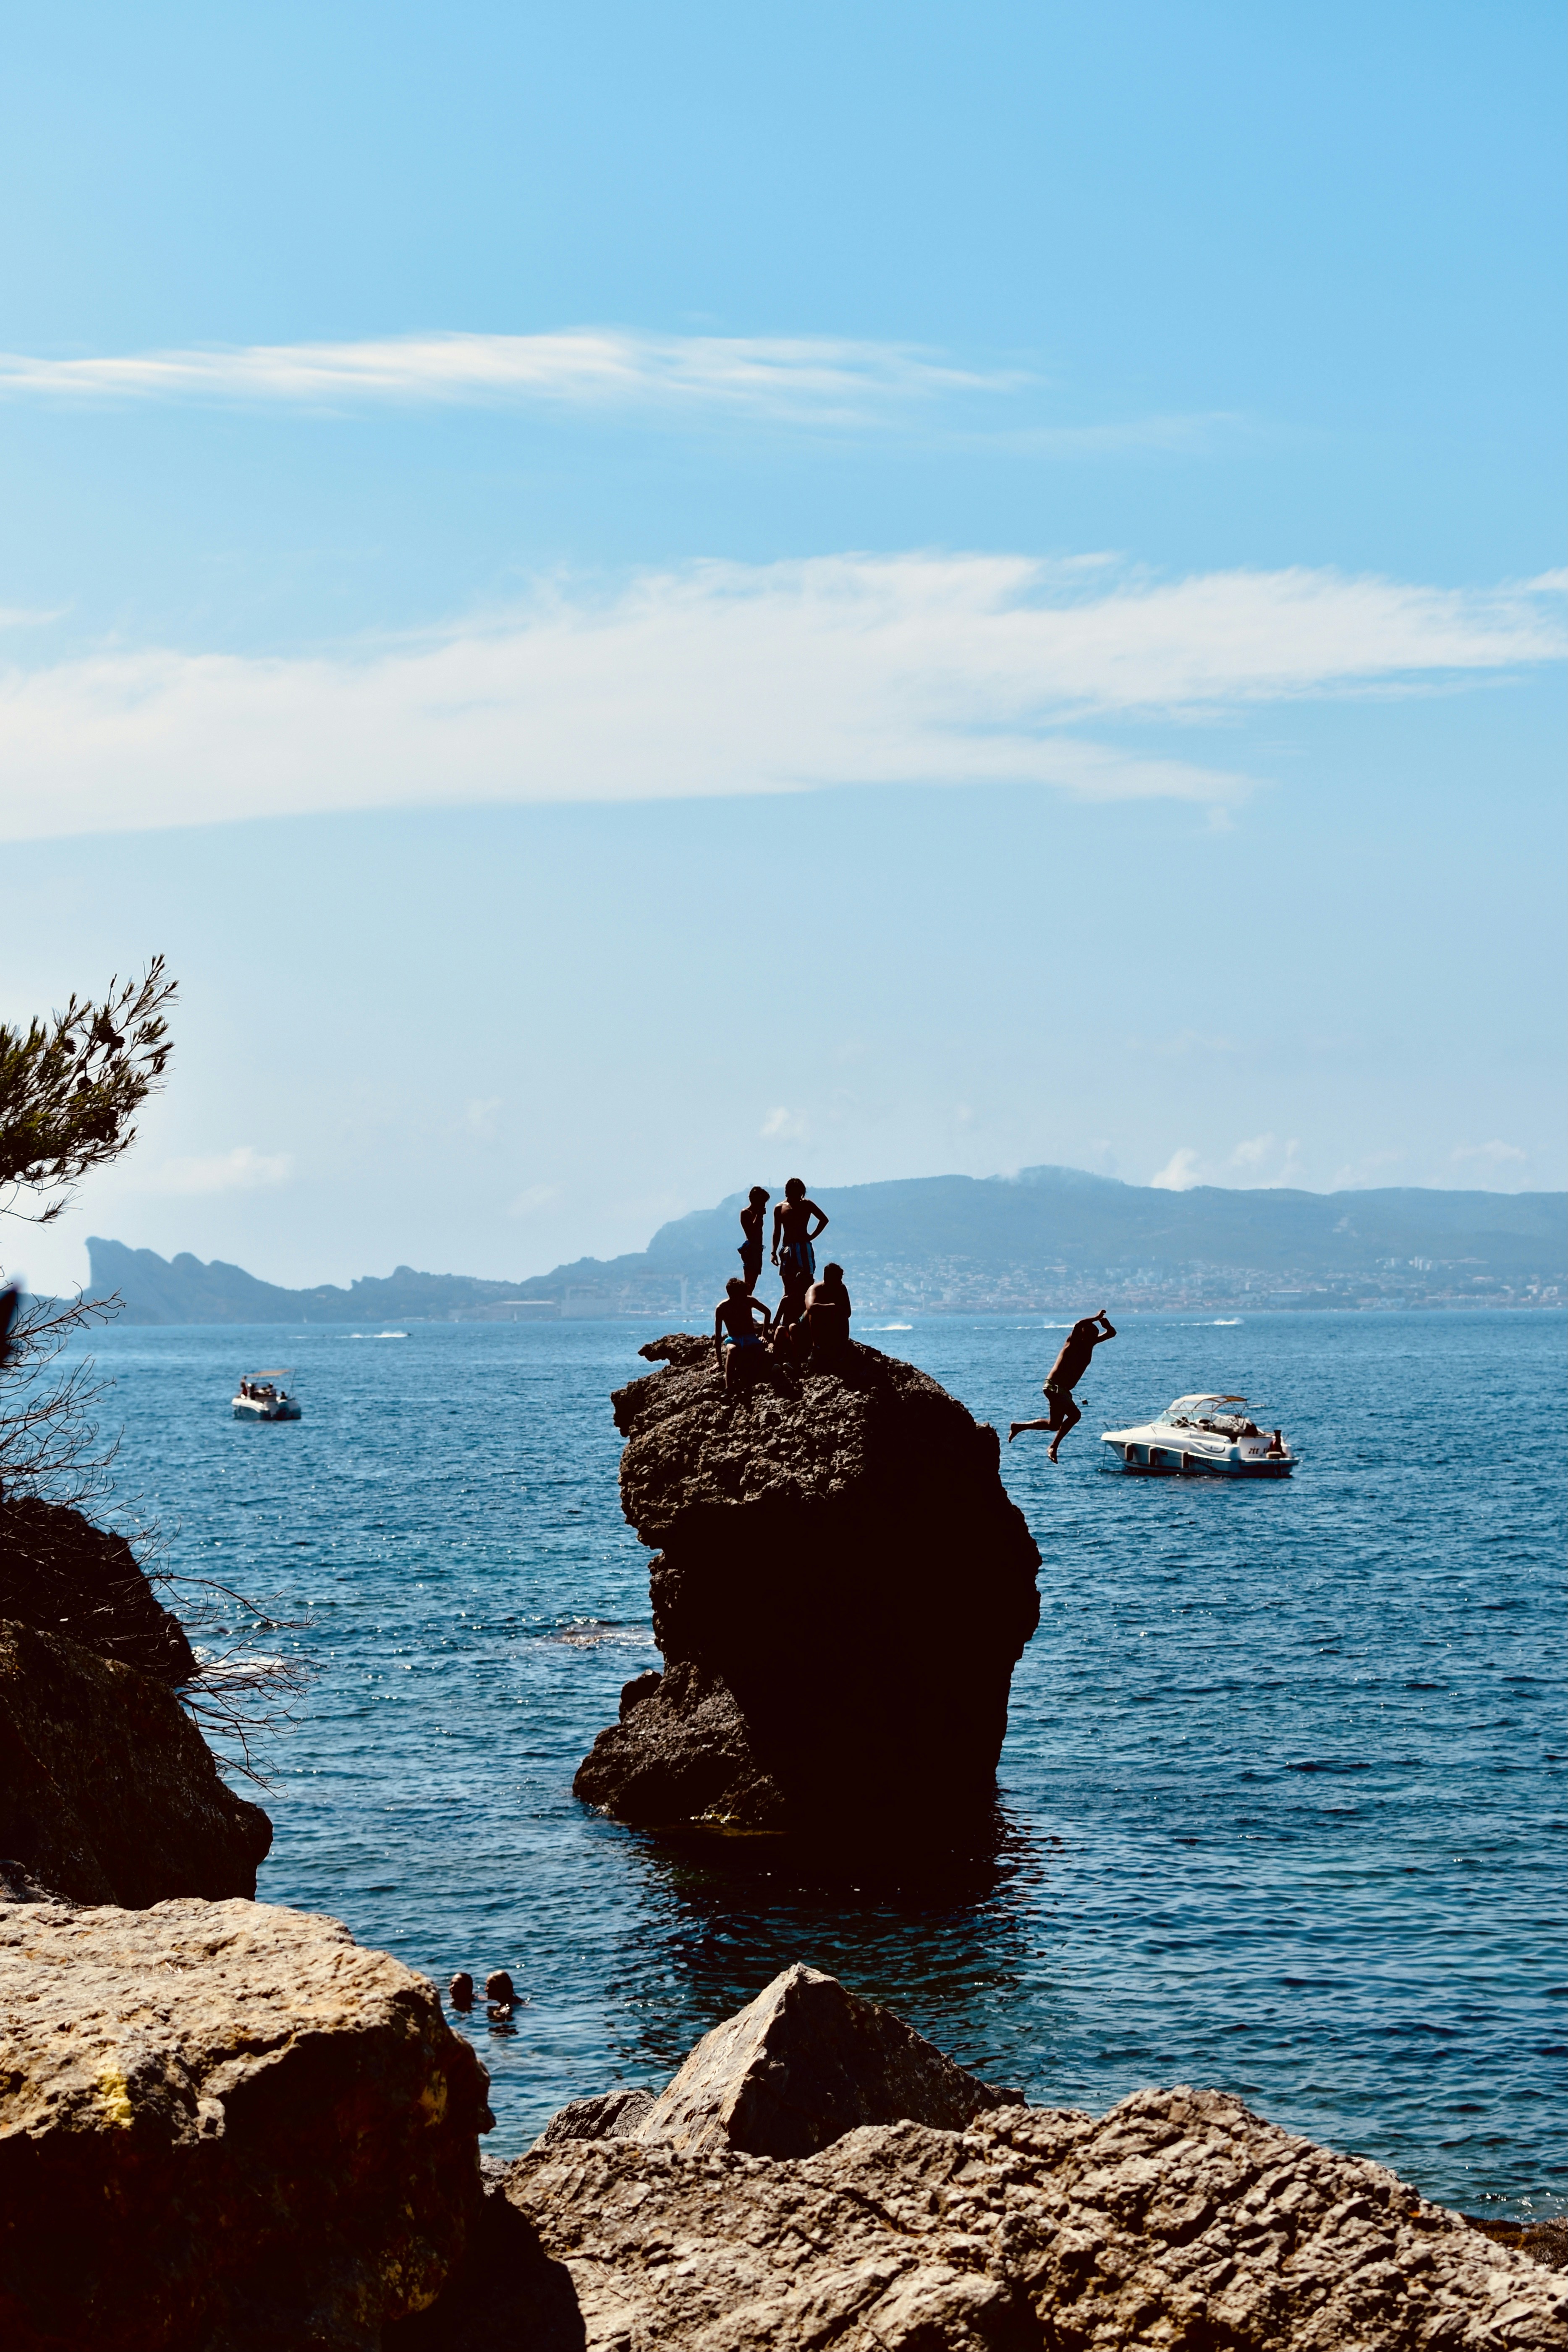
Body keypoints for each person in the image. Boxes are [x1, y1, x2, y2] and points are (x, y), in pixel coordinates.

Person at [1009, 1310, 1117, 1460]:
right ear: (1083, 1335)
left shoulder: (1090, 1344)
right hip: (1054, 1387)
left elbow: (1112, 1334)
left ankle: (1019, 1427)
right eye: (1091, 1336)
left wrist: (1107, 1325)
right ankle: (1053, 1447)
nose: (1094, 1339)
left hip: (1062, 1390)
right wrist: (1096, 1318)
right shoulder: (1072, 1343)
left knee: (1054, 1425)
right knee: (1075, 1415)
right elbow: (1079, 1324)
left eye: (1095, 1336)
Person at [771, 1178, 828, 1309]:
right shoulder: (780, 1208)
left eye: (798, 1192)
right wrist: (774, 1252)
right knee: (788, 1284)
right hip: (787, 1247)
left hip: (803, 1246)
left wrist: (811, 1237)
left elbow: (824, 1220)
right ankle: (788, 1315)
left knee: (808, 1280)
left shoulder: (807, 1204)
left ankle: (806, 1312)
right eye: (792, 1192)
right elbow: (777, 1231)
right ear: (787, 1192)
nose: (795, 1195)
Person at [714, 1275, 772, 1393]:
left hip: (750, 1337)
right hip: (733, 1339)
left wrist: (764, 1335)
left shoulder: (749, 1301)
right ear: (733, 1294)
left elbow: (767, 1312)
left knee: (759, 1350)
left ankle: (764, 1377)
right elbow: (718, 1335)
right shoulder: (722, 1308)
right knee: (732, 1351)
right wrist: (719, 1362)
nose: (745, 1296)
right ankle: (728, 1387)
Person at [802, 1262, 852, 1363]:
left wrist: (836, 1309)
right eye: (837, 1279)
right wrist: (833, 1307)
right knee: (814, 1312)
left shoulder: (841, 1288)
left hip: (828, 1324)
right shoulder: (815, 1289)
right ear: (827, 1278)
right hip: (806, 1325)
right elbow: (811, 1308)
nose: (840, 1282)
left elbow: (848, 1312)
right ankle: (816, 1348)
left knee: (842, 1314)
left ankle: (843, 1348)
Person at [737, 1186, 770, 1293]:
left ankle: (746, 1305)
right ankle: (743, 1305)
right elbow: (752, 1232)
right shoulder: (746, 1213)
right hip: (751, 1248)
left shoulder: (756, 1213)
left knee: (752, 1285)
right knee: (748, 1284)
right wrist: (759, 1214)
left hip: (757, 1249)